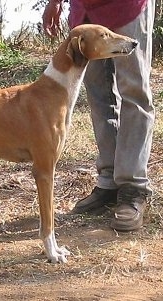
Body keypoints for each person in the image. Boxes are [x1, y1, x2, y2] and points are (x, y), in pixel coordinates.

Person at [42, 0, 155, 231]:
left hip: (127, 6)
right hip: (86, 10)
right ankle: (110, 181)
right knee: (98, 94)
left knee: (134, 91)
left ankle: (133, 186)